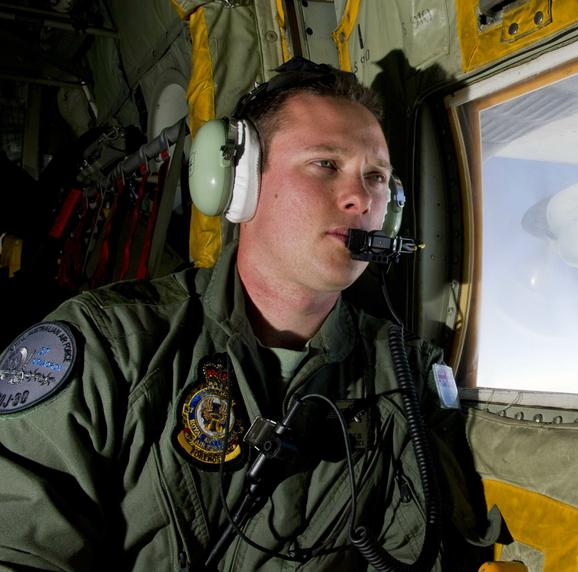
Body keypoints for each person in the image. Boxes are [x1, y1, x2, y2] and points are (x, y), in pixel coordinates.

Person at [0, 58, 497, 570]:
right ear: (235, 184)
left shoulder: (406, 379)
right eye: (326, 164)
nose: (360, 198)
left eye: (375, 177)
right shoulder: (112, 345)